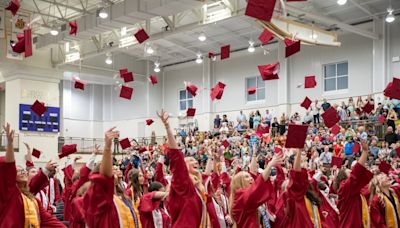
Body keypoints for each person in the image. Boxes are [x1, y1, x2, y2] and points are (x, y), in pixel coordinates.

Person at [0, 123, 65, 227]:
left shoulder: (32, 199)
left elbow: (49, 221)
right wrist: (10, 144)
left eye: (23, 171)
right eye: (18, 171)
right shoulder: (9, 193)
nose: (23, 172)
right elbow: (8, 167)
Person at [157, 109, 206, 227]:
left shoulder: (197, 187)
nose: (195, 161)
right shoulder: (184, 185)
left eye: (195, 160)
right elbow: (177, 157)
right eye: (190, 160)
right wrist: (168, 127)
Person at [83, 126, 140, 227]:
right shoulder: (100, 199)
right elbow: (104, 178)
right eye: (112, 170)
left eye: (116, 169)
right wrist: (108, 147)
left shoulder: (122, 197)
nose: (116, 171)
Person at [230, 150, 283, 227]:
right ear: (239, 182)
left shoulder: (243, 196)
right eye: (246, 177)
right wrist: (270, 165)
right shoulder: (239, 197)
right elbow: (257, 185)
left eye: (250, 176)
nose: (251, 178)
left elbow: (257, 183)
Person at [334, 140, 373, 228]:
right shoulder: (344, 189)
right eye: (349, 172)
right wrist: (365, 152)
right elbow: (356, 173)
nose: (351, 172)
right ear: (343, 177)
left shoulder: (356, 191)